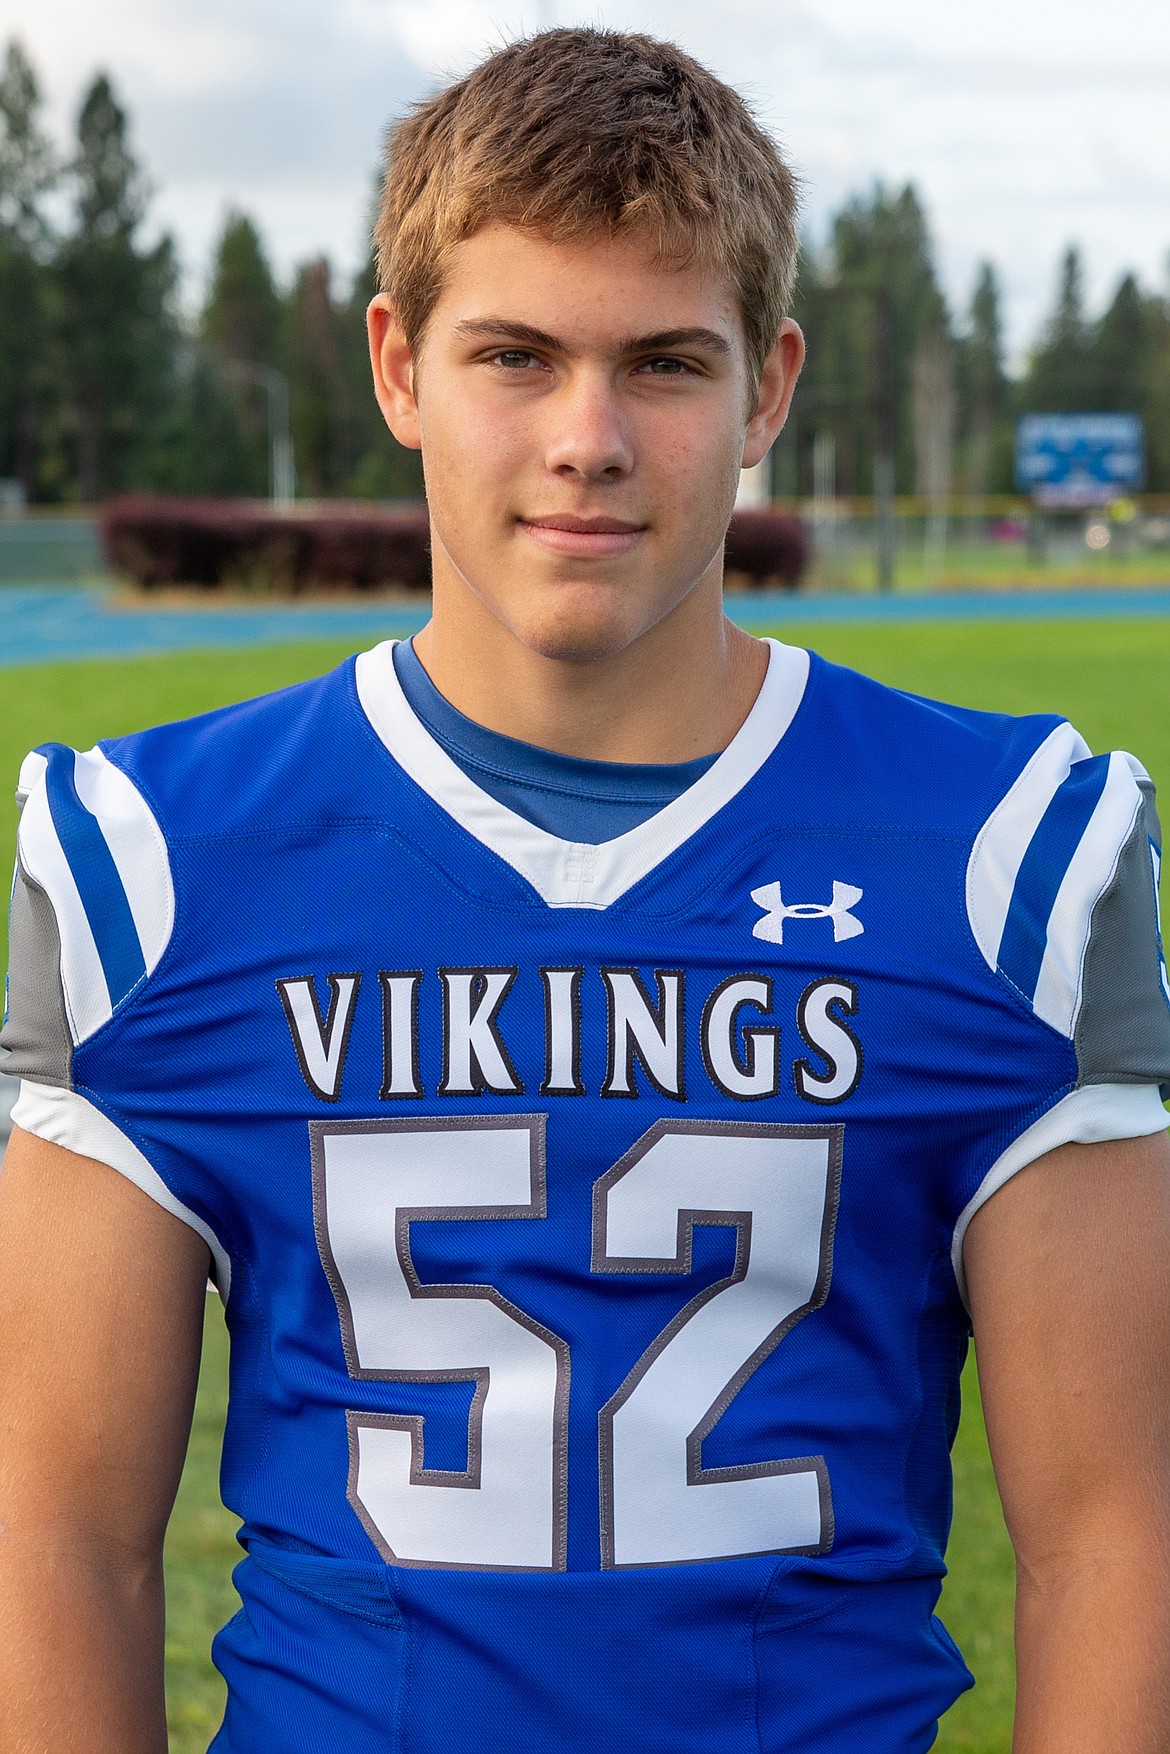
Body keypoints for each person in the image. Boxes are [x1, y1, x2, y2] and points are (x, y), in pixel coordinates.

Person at [1, 26, 1168, 1754]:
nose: (589, 437)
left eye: (665, 364)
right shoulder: (151, 860)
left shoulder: (1010, 850)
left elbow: (1114, 1534)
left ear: (768, 386)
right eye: (516, 355)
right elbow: (58, 1538)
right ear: (398, 367)